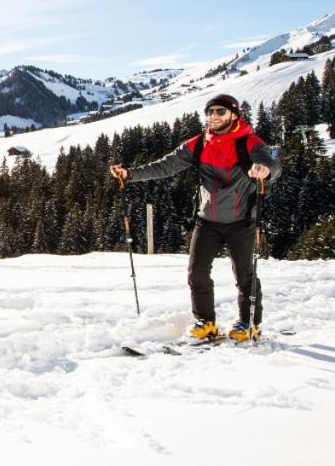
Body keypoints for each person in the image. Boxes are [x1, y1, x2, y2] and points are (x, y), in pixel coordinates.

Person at [109, 94, 280, 342]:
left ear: (234, 114)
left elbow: (271, 164)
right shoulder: (199, 143)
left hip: (241, 221)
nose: (213, 117)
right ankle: (205, 322)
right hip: (206, 220)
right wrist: (130, 174)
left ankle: (249, 323)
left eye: (220, 112)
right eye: (210, 112)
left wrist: (266, 170)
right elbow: (165, 165)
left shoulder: (249, 142)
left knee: (245, 275)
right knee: (197, 273)